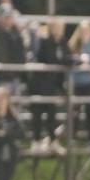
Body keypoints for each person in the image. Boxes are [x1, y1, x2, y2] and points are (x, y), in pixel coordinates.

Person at [28, 18, 72, 155]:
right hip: (40, 84)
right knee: (38, 113)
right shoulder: (45, 41)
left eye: (61, 27)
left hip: (53, 84)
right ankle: (36, 141)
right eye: (56, 27)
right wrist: (65, 60)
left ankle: (52, 141)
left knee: (52, 114)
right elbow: (48, 58)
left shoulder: (63, 42)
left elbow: (67, 57)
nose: (59, 30)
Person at [0, 3, 27, 95]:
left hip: (15, 77)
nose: (7, 20)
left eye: (9, 17)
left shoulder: (18, 35)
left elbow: (21, 56)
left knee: (15, 106)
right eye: (5, 17)